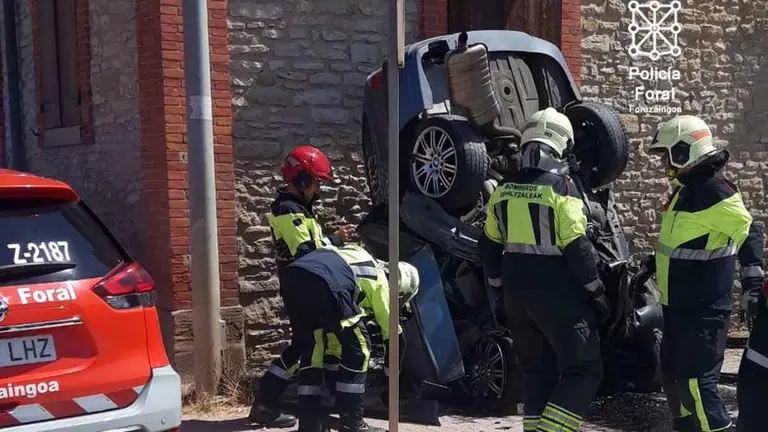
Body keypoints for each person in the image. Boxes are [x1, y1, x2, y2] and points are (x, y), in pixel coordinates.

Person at [479, 107, 609, 432]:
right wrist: (597, 293)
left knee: (538, 372)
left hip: (516, 296)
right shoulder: (563, 190)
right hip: (558, 297)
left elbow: (489, 247)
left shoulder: (503, 190)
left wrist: (498, 291)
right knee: (584, 370)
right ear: (562, 147)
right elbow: (578, 249)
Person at [647, 115, 763, 432]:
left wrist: (753, 286)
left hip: (704, 309)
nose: (664, 164)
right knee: (672, 377)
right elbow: (679, 243)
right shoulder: (684, 191)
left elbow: (749, 234)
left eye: (667, 155)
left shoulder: (715, 191)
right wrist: (649, 267)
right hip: (678, 306)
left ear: (685, 151)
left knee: (697, 384)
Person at [248, 145, 358, 428]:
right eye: (316, 181)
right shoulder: (288, 209)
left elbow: (313, 247)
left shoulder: (301, 208)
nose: (318, 187)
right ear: (301, 178)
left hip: (307, 286)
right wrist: (335, 241)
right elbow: (306, 252)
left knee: (308, 344)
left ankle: (275, 402)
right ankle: (267, 401)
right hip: (302, 287)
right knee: (306, 346)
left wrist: (335, 240)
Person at [281, 244, 418, 432]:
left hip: (293, 277)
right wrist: (391, 380)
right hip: (327, 282)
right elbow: (394, 336)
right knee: (360, 349)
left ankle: (309, 425)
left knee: (313, 350)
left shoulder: (358, 255)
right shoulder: (379, 280)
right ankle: (352, 424)